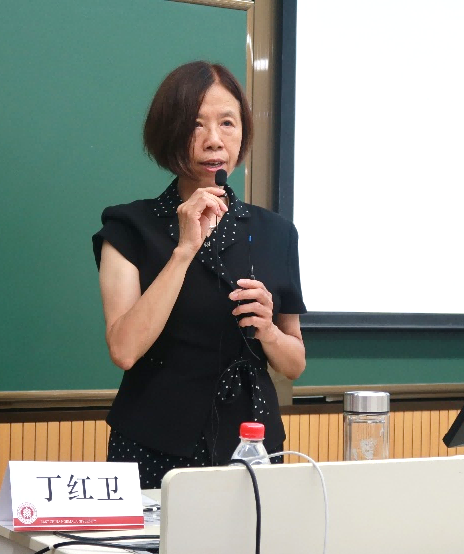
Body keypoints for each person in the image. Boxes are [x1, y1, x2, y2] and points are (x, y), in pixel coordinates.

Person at [92, 61, 306, 489]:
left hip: (253, 444)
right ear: (170, 132)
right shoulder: (130, 227)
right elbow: (125, 350)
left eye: (227, 123)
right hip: (154, 443)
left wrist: (268, 331)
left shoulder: (276, 232)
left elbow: (294, 363)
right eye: (196, 124)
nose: (214, 139)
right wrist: (184, 251)